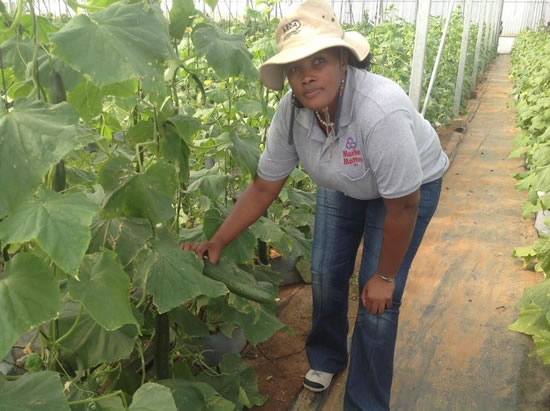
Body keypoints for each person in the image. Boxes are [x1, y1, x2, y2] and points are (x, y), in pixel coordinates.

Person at [182, 0, 449, 409]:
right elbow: (262, 187)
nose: (306, 76)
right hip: (345, 182)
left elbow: (403, 208)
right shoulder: (290, 115)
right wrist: (217, 241)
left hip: (405, 193)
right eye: (294, 67)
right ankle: (327, 357)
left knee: (377, 303)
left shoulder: (380, 110)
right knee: (325, 271)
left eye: (318, 61)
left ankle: (365, 403)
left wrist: (385, 276)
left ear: (344, 61)